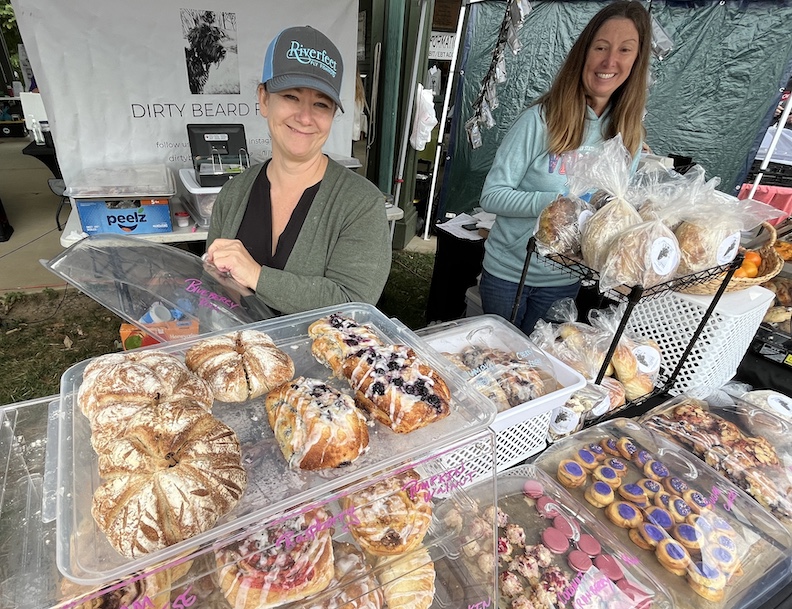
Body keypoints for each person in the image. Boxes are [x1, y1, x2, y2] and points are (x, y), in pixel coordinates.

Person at [477, 1, 651, 335]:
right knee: (501, 369)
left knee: (540, 371)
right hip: (511, 273)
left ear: (636, 61)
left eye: (625, 50)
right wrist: (557, 204)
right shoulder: (539, 121)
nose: (609, 61)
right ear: (583, 54)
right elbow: (492, 196)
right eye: (600, 47)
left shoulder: (629, 136)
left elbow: (613, 212)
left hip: (566, 280)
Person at [205, 25, 392, 317]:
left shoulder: (360, 203)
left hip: (319, 361)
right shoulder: (233, 195)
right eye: (291, 96)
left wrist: (255, 275)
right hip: (238, 357)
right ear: (265, 99)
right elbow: (213, 292)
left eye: (321, 104)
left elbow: (353, 302)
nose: (305, 117)